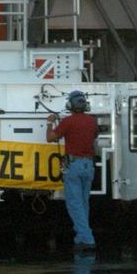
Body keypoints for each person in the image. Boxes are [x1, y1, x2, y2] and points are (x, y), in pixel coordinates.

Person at [47, 89, 99, 254]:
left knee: (74, 204)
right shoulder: (92, 122)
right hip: (88, 165)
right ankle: (80, 238)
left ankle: (88, 238)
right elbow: (95, 136)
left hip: (74, 165)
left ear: (70, 105)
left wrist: (50, 123)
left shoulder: (68, 122)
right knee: (84, 203)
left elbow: (50, 138)